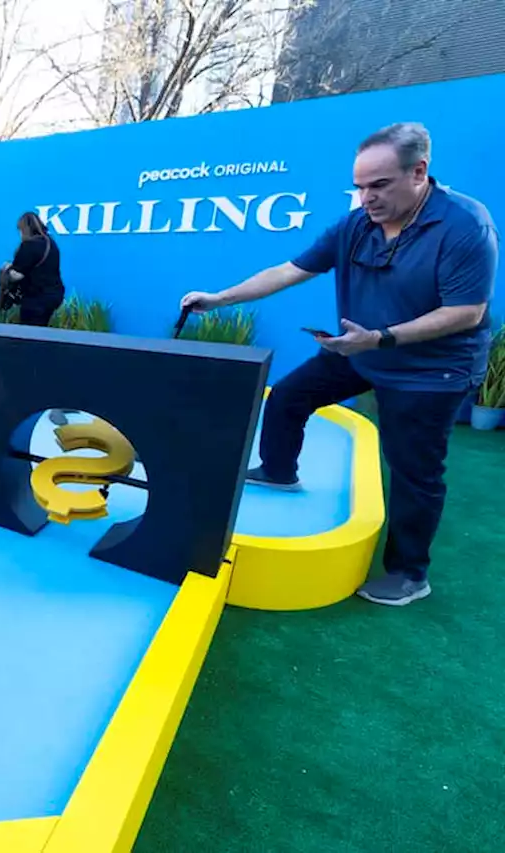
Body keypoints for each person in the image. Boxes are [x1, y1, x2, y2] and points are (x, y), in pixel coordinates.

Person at [181, 122, 497, 607]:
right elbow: (290, 270)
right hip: (362, 346)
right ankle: (280, 470)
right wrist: (219, 298)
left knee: (415, 470)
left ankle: (410, 573)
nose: (366, 197)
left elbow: (466, 312)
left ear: (419, 172)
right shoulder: (355, 225)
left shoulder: (465, 224)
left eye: (379, 185)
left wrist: (382, 337)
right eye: (360, 186)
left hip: (432, 370)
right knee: (288, 396)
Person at [0, 211, 64, 326]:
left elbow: (17, 275)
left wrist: (7, 270)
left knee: (29, 332)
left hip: (35, 298)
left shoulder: (28, 245)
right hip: (54, 295)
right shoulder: (51, 243)